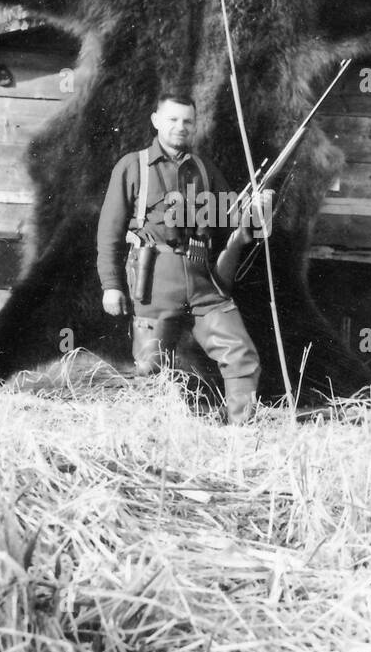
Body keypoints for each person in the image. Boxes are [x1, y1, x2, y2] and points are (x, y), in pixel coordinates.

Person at [97, 92, 265, 424]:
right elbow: (109, 232)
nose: (180, 127)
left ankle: (241, 435)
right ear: (156, 120)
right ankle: (150, 437)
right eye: (172, 119)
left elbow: (230, 219)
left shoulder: (204, 169)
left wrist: (257, 213)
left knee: (240, 355)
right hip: (155, 279)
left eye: (188, 121)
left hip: (203, 279)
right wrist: (111, 285)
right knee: (150, 367)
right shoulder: (133, 166)